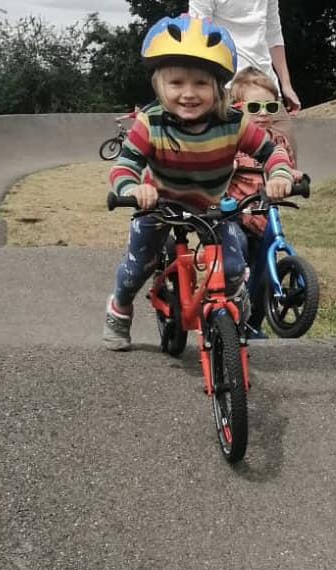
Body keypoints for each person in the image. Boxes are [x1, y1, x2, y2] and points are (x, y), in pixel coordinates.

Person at [103, 14, 295, 351]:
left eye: (201, 84)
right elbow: (125, 166)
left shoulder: (232, 122)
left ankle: (234, 302)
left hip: (212, 208)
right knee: (138, 267)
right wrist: (134, 189)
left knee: (234, 266)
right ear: (159, 85)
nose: (188, 94)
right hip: (159, 204)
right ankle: (119, 307)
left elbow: (270, 151)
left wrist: (279, 173)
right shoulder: (150, 122)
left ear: (218, 87)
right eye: (176, 83)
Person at [227, 66, 303, 338]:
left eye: (270, 106)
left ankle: (253, 324)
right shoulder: (231, 139)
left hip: (266, 214)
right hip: (235, 214)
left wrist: (292, 175)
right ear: (237, 109)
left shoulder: (277, 140)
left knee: (263, 274)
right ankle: (227, 314)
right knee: (237, 253)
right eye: (254, 106)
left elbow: (284, 165)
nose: (262, 113)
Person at [188, 0, 300, 116]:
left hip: (267, 85)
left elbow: (274, 37)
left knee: (283, 133)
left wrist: (286, 85)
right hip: (229, 89)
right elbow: (198, 37)